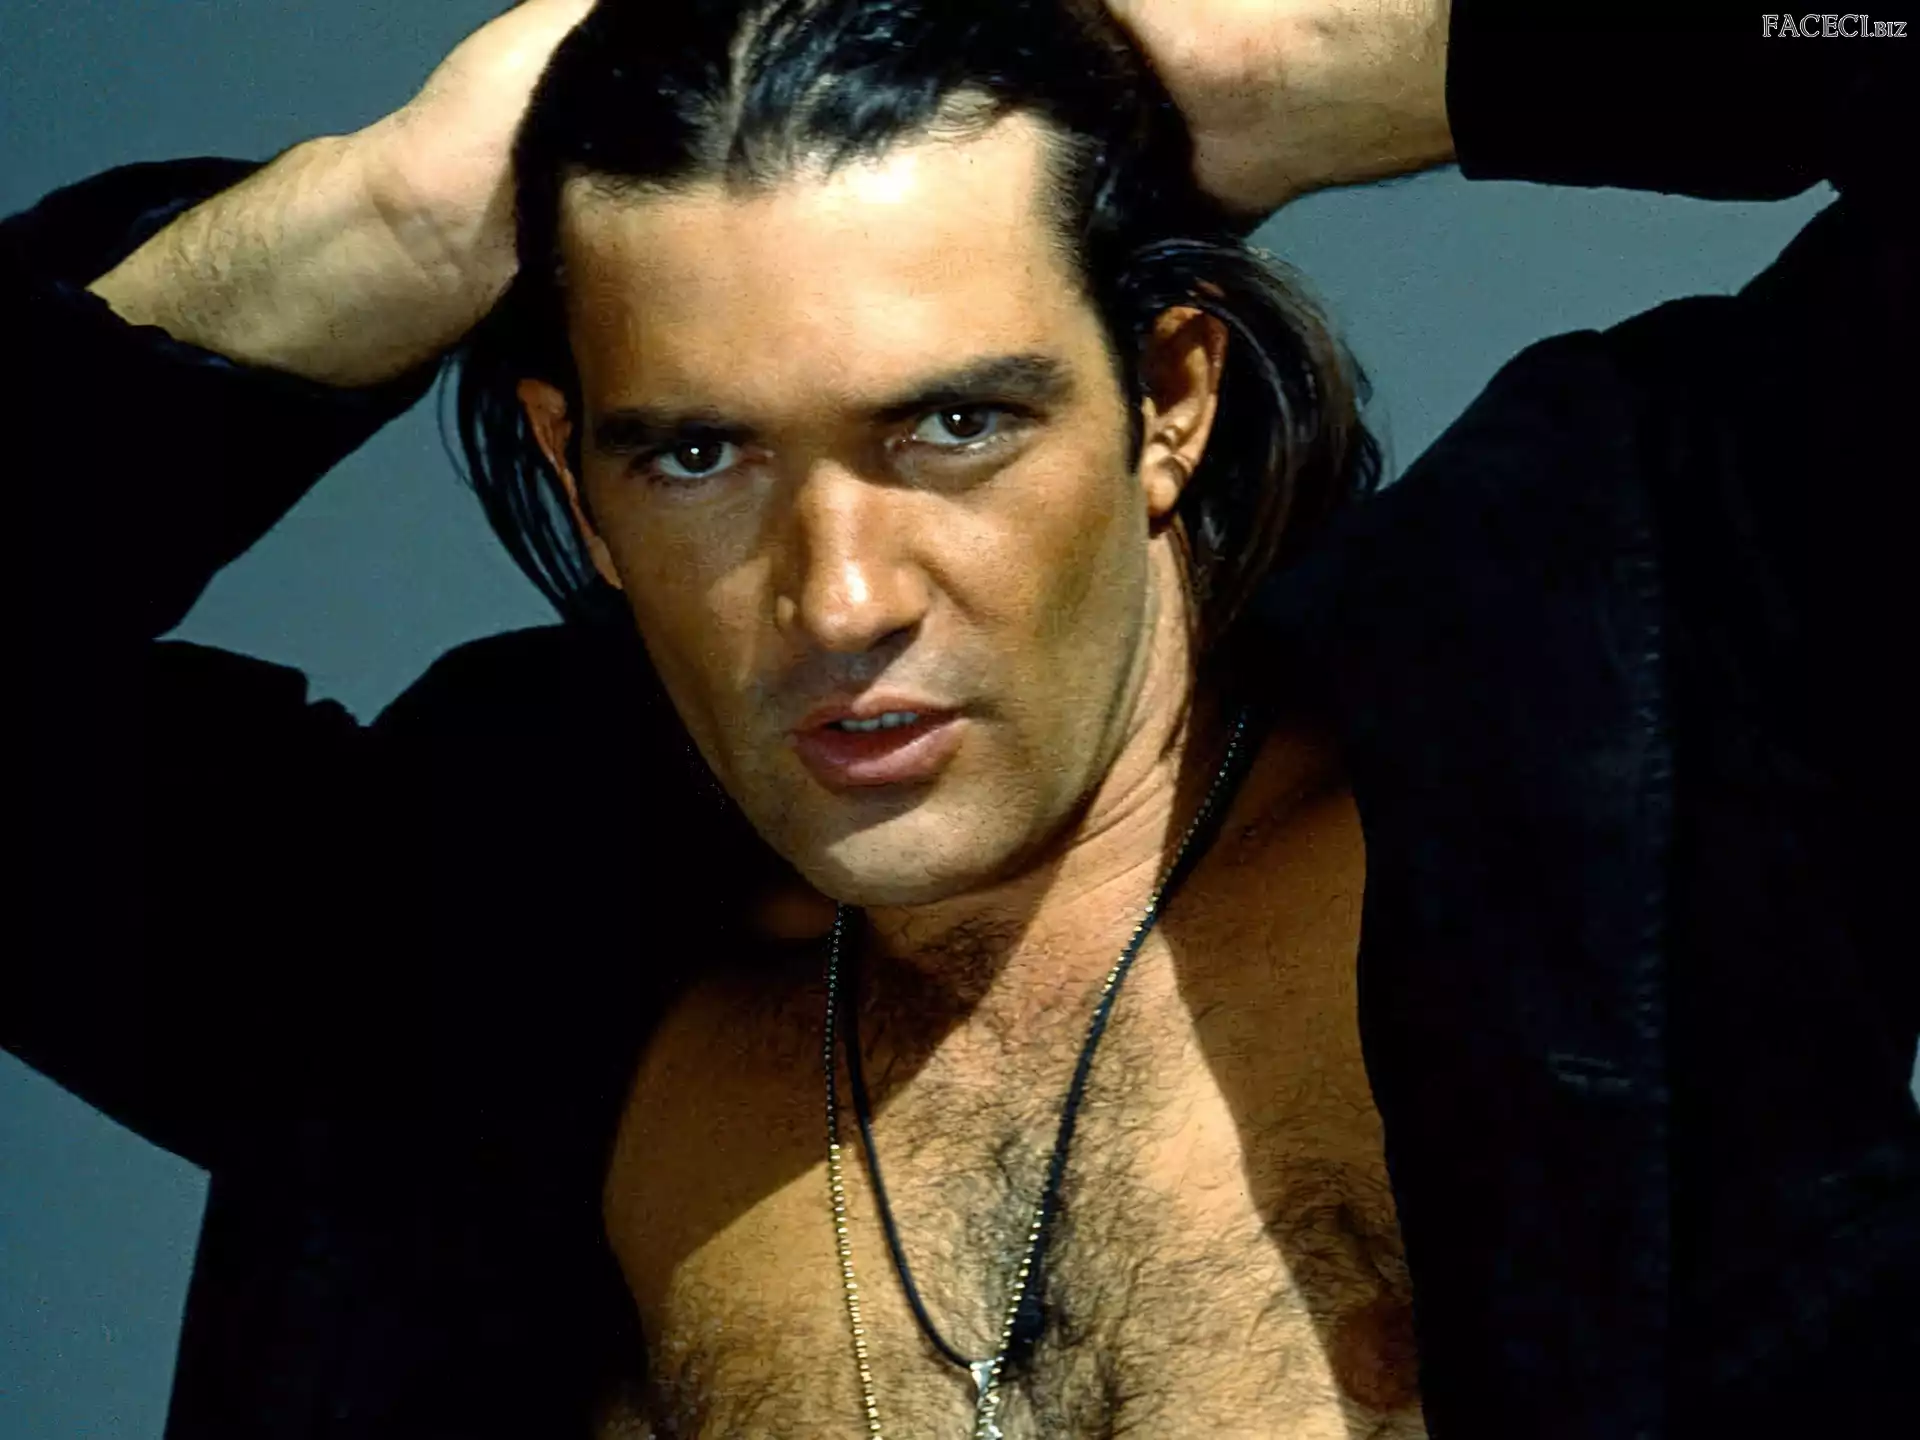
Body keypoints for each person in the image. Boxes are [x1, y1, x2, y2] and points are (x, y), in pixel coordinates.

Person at [10, 2, 1914, 1437]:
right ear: (574, 474)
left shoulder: (1624, 749)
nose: (840, 599)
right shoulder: (438, 962)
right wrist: (389, 217)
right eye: (697, 454)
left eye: (954, 424)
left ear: (1169, 397)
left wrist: (1385, 58)